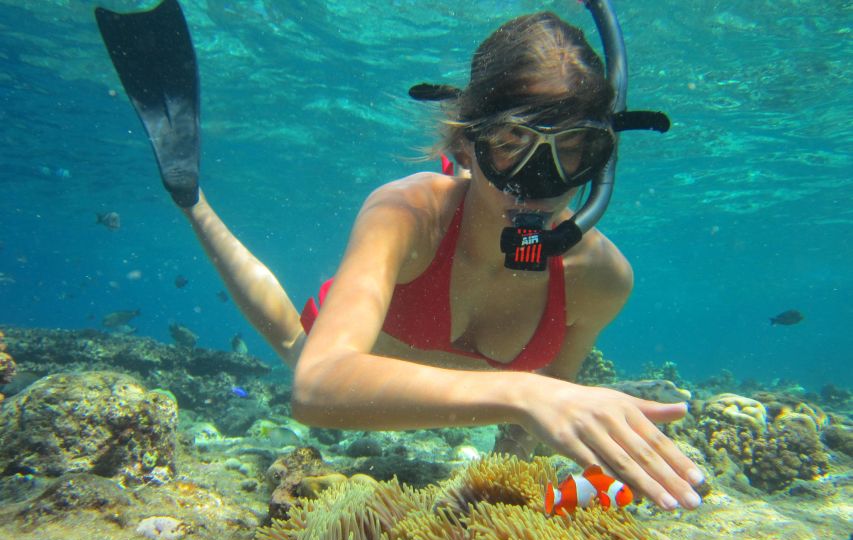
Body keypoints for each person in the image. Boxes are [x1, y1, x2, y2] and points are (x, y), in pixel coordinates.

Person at [97, 2, 704, 510]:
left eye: (575, 149)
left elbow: (540, 418)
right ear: (467, 142)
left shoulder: (603, 280)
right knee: (293, 341)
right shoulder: (408, 212)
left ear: (605, 159)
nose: (540, 180)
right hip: (334, 350)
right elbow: (317, 388)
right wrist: (525, 391)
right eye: (511, 143)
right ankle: (191, 197)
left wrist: (503, 500)